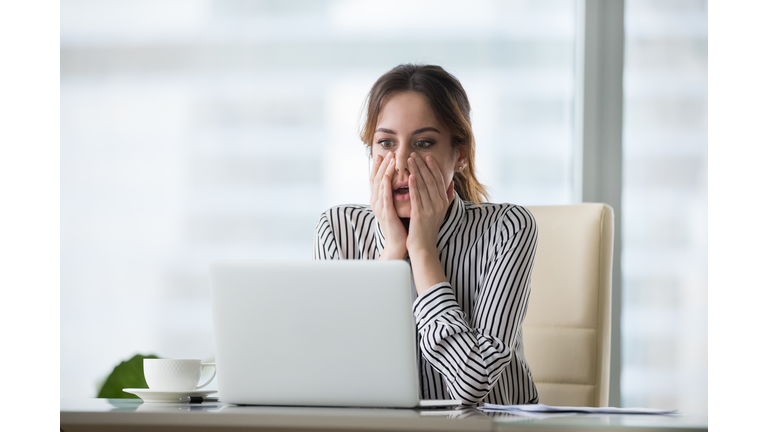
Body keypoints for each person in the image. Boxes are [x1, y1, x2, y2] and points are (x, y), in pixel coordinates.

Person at [313, 64, 538, 405]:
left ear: (459, 155)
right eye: (386, 142)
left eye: (423, 143)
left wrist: (421, 251)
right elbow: (336, 376)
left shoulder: (507, 228)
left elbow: (471, 385)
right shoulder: (338, 230)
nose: (401, 161)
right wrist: (391, 253)